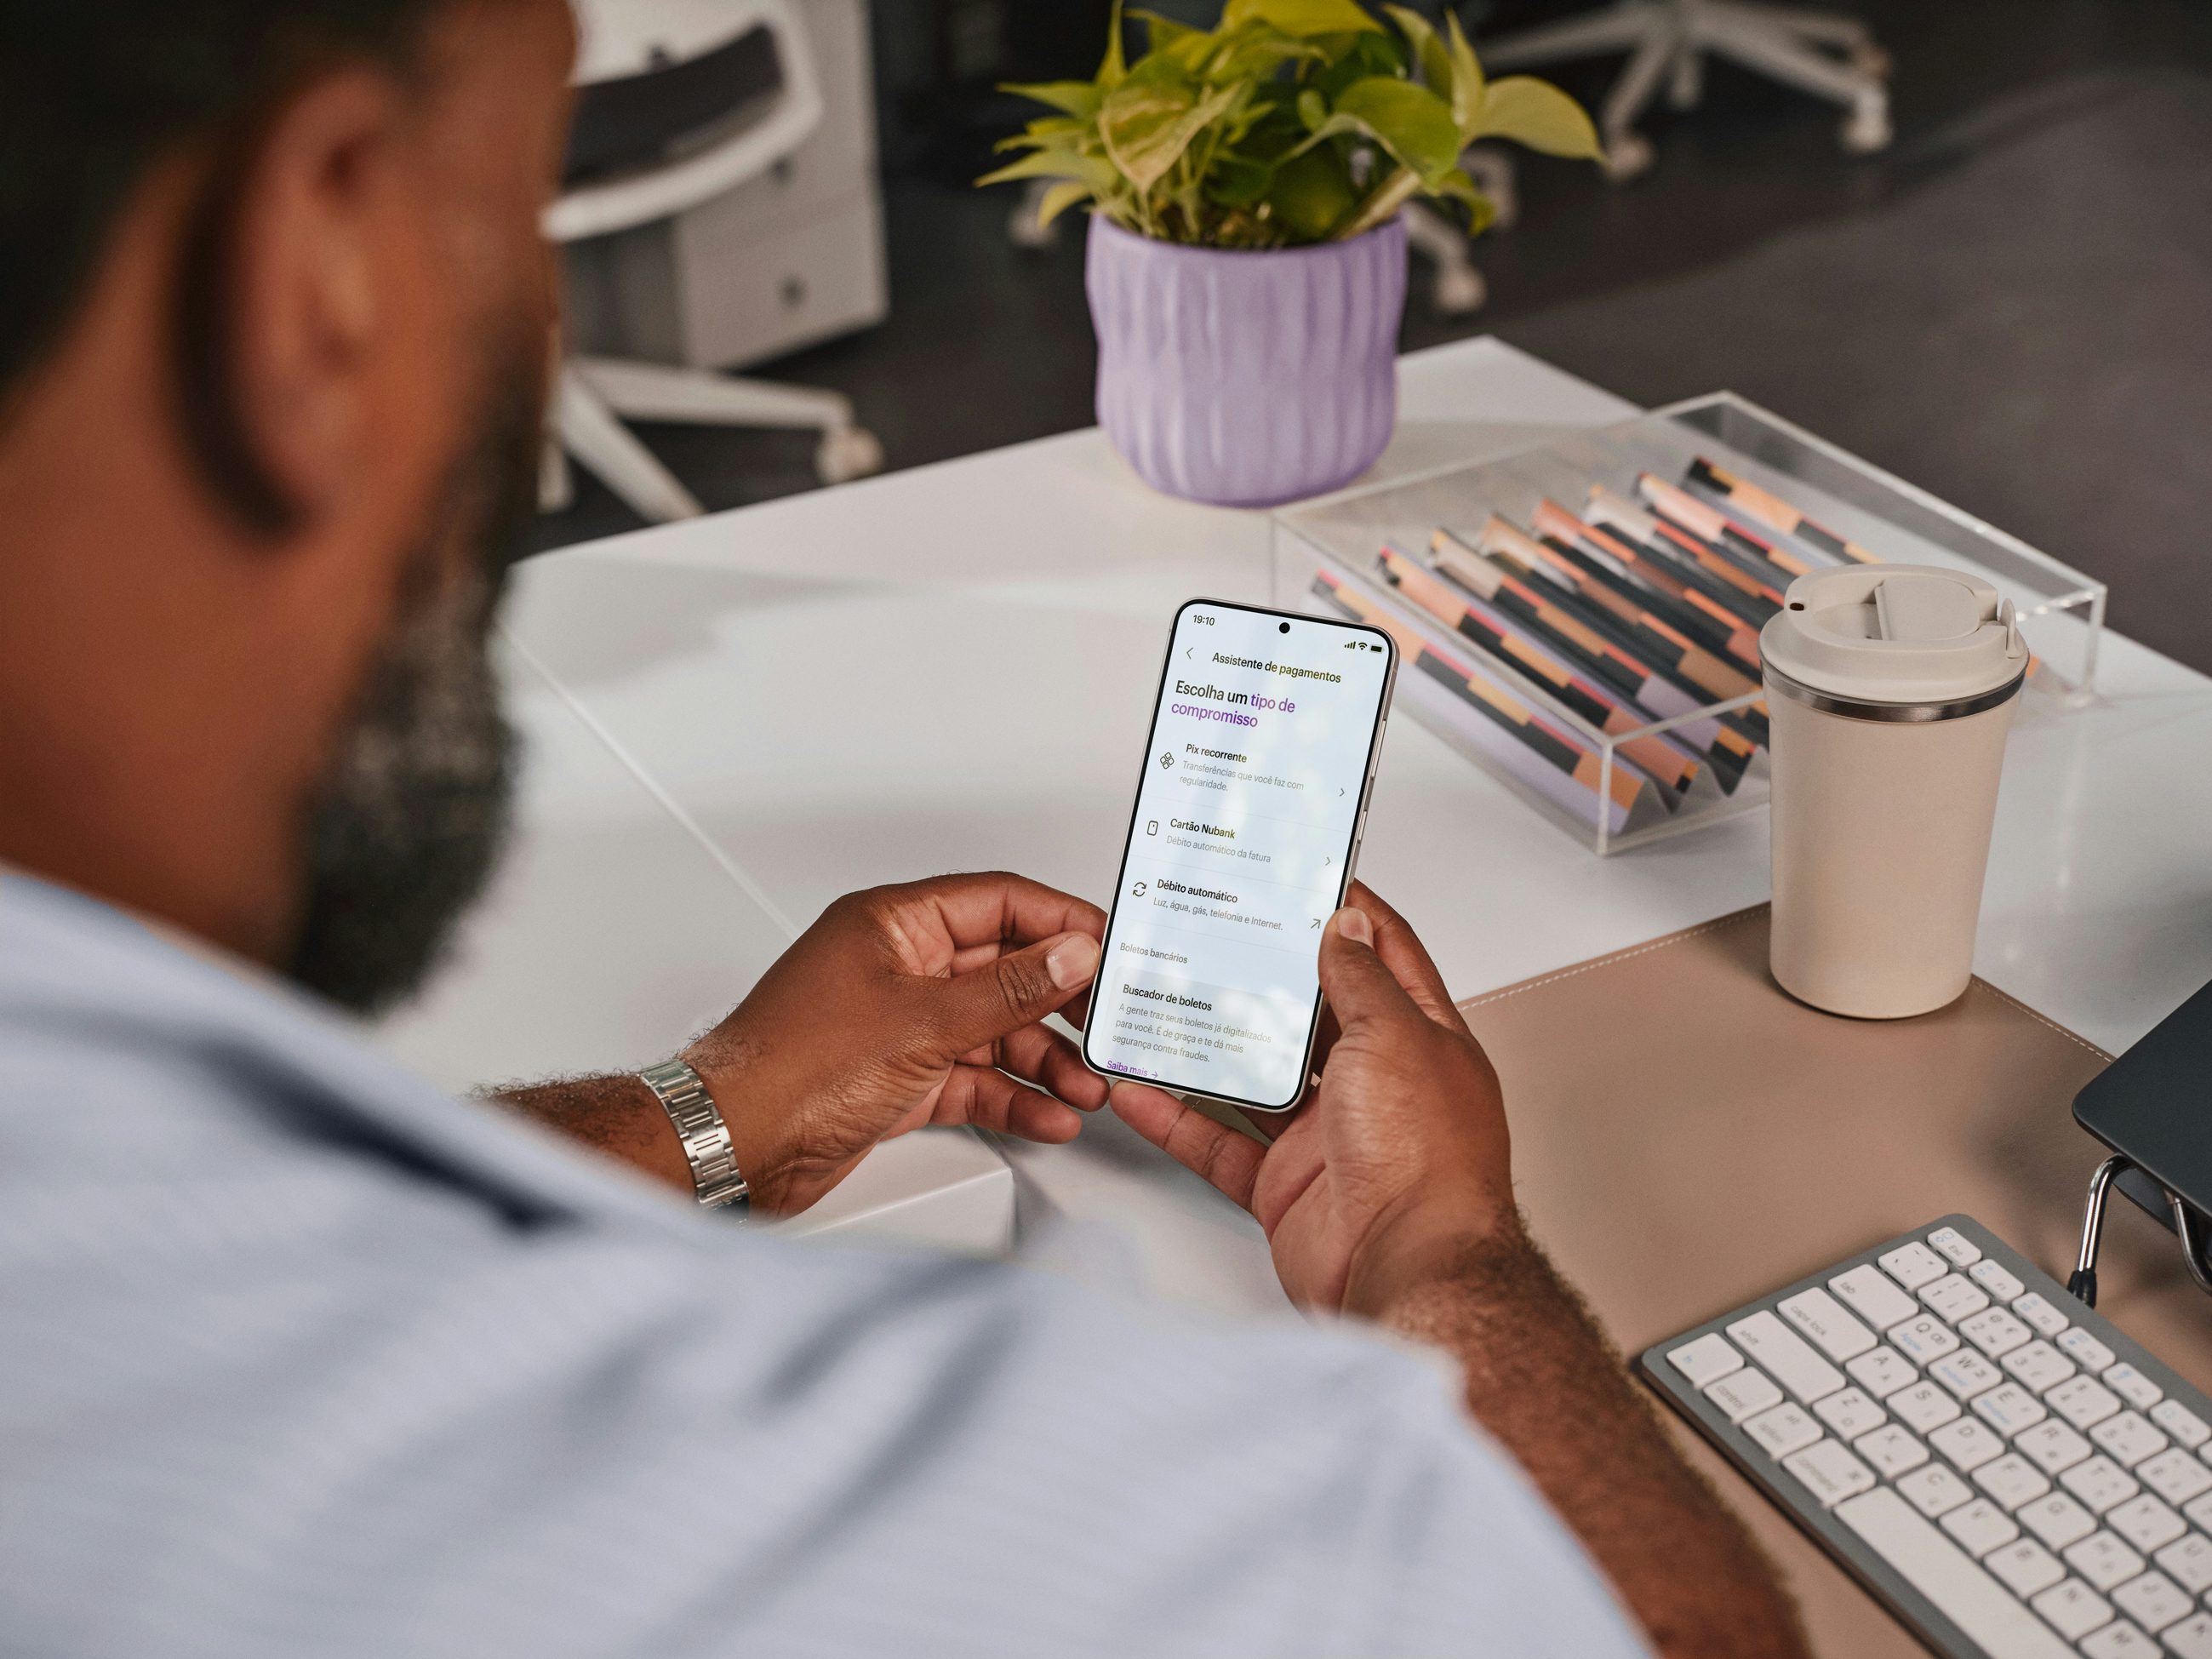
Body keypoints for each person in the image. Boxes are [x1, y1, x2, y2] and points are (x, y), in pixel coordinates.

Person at [0, 3, 1808, 1655]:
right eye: (520, 222)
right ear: (313, 275)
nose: (542, 340)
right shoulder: (814, 1506)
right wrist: (1438, 1245)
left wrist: (714, 1109)